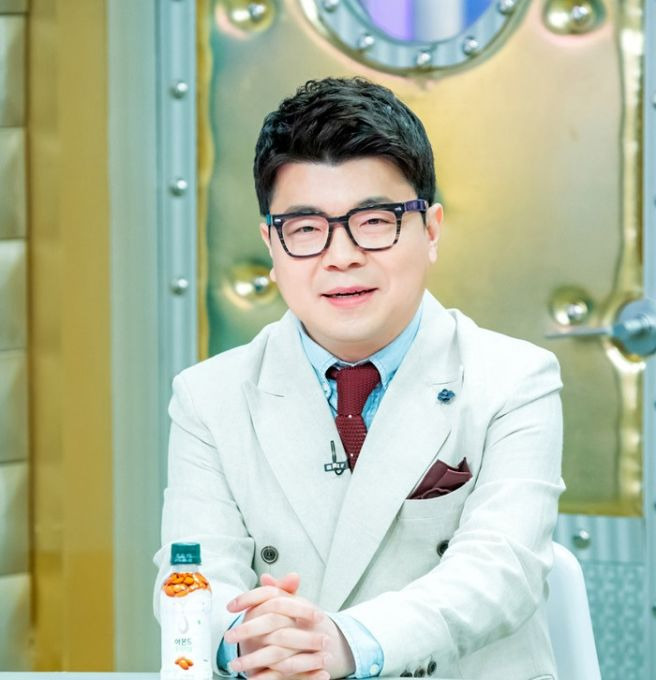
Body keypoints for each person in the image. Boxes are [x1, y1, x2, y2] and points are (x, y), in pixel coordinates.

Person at [154, 77, 564, 680]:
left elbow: (502, 571)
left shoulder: (514, 379)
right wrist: (249, 643)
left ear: (430, 229)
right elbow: (193, 574)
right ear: (271, 245)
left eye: (374, 221)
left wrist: (346, 641)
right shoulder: (207, 397)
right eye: (305, 229)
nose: (341, 255)